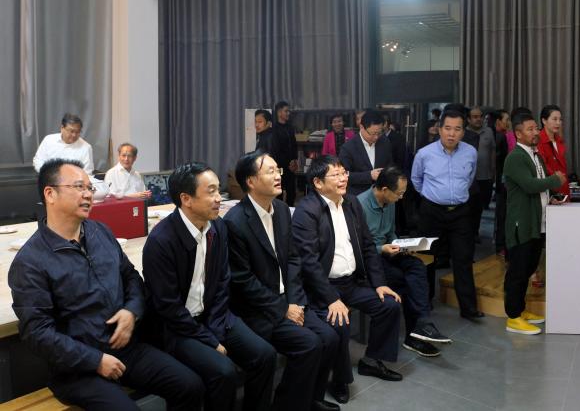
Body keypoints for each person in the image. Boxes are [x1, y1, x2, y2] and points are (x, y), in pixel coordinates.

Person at [9, 159, 203, 410]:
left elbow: (131, 277)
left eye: (89, 188)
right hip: (76, 368)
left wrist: (131, 311)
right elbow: (37, 333)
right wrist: (95, 360)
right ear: (50, 194)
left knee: (190, 385)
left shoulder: (99, 232)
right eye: (79, 187)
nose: (88, 194)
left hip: (124, 348)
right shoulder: (31, 261)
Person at [143, 163, 277, 411]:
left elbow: (223, 281)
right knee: (223, 371)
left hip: (215, 316)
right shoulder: (161, 241)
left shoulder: (217, 227)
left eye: (218, 190)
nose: (219, 199)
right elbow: (168, 307)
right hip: (177, 327)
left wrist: (214, 328)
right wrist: (210, 340)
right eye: (211, 191)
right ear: (186, 199)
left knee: (264, 355)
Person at [225, 151, 341, 411]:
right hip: (258, 310)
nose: (279, 175)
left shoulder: (280, 209)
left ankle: (309, 400)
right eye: (270, 171)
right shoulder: (235, 222)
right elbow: (243, 281)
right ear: (251, 181)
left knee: (330, 337)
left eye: (278, 169)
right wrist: (283, 308)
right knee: (309, 344)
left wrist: (295, 301)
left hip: (288, 300)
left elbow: (293, 259)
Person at [291, 156, 405, 404]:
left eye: (344, 173)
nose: (343, 178)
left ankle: (372, 361)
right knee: (339, 321)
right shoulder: (306, 210)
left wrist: (379, 283)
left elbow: (367, 246)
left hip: (352, 283)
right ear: (318, 183)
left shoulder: (352, 203)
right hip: (322, 288)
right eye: (336, 175)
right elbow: (309, 262)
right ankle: (339, 379)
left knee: (389, 305)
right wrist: (331, 298)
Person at [357, 167, 451, 357]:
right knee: (405, 280)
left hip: (388, 252)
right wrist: (381, 249)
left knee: (417, 266)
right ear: (384, 190)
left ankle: (422, 323)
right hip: (370, 258)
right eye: (399, 193)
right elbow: (357, 246)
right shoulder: (360, 205)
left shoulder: (390, 202)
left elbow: (390, 232)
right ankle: (414, 335)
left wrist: (401, 245)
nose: (401, 198)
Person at [410, 110, 482, 319]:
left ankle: (468, 308)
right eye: (447, 128)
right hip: (431, 211)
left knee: (463, 258)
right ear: (439, 129)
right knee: (426, 257)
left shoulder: (470, 152)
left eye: (457, 129)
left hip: (460, 212)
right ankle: (424, 302)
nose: (452, 134)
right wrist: (433, 196)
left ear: (463, 132)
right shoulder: (424, 154)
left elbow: (469, 178)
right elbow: (416, 180)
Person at [502, 113, 566, 335]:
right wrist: (555, 179)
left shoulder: (535, 154)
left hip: (537, 223)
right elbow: (530, 185)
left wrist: (552, 195)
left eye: (536, 128)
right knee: (518, 272)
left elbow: (541, 186)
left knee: (529, 268)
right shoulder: (515, 157)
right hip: (522, 224)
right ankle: (513, 318)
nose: (535, 132)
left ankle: (520, 310)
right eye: (529, 129)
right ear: (518, 134)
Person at [340, 110, 393, 198]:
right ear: (362, 127)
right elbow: (344, 175)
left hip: (381, 196)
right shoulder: (348, 148)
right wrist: (369, 175)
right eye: (372, 134)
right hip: (358, 197)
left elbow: (390, 165)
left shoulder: (384, 142)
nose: (376, 137)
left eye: (379, 133)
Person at [468, 107, 496, 242]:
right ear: (469, 119)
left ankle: (475, 232)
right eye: (475, 117)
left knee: (479, 207)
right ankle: (467, 233)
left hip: (484, 176)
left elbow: (492, 151)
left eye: (480, 116)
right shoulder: (464, 133)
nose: (478, 119)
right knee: (468, 207)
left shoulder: (488, 131)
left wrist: (493, 169)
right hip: (468, 178)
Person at [537, 105, 570, 196]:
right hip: (549, 191)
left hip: (564, 189)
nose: (558, 123)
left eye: (560, 119)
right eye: (554, 119)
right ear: (544, 121)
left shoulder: (559, 140)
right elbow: (542, 167)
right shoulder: (538, 140)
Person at [491, 110, 511, 257]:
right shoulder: (499, 137)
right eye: (506, 119)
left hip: (501, 181)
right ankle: (500, 246)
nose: (508, 122)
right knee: (502, 215)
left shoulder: (504, 136)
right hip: (501, 182)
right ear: (498, 121)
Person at [272, 101, 299, 205]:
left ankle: (290, 211)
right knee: (278, 191)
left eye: (289, 111)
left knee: (291, 191)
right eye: (286, 111)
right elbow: (276, 150)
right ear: (279, 112)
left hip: (291, 166)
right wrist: (287, 163)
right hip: (280, 167)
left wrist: (294, 160)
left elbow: (294, 145)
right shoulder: (274, 129)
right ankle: (279, 212)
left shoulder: (290, 127)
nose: (288, 113)